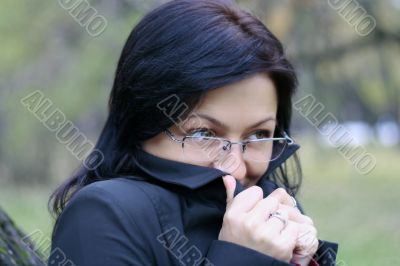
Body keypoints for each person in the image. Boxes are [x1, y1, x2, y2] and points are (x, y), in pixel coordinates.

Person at [48, 0, 338, 265]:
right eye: (202, 134)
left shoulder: (270, 207)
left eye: (259, 135)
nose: (236, 169)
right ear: (142, 121)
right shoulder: (104, 215)